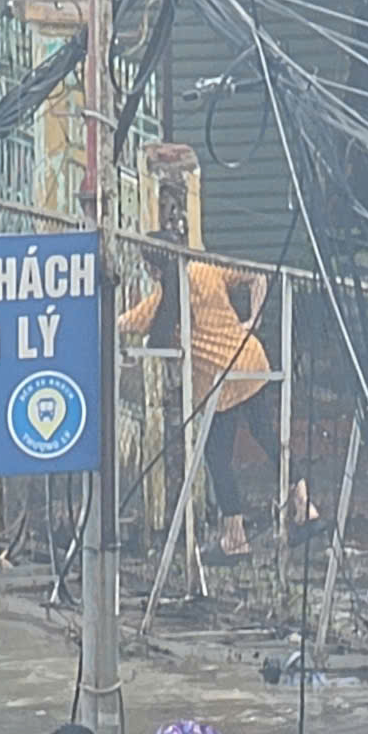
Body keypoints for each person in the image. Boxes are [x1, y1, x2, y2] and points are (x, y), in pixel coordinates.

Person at [116, 226, 312, 562]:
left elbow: (127, 322)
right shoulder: (205, 269)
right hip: (251, 359)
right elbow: (257, 276)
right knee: (267, 436)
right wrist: (253, 319)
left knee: (218, 457)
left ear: (155, 269)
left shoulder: (164, 300)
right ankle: (305, 507)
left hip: (222, 379)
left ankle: (234, 539)